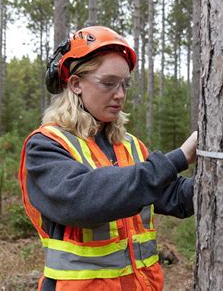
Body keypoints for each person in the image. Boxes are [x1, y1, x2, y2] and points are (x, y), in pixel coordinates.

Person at [19, 26, 197, 291]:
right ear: (76, 84)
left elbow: (175, 197)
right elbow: (83, 201)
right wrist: (177, 159)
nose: (120, 94)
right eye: (109, 83)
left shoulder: (130, 146)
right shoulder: (45, 146)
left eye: (124, 84)